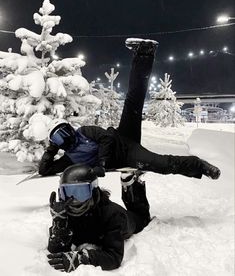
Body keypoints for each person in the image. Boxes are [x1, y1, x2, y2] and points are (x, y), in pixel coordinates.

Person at [39, 38, 220, 180]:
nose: (63, 140)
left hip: (123, 139)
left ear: (69, 129)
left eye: (62, 134)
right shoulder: (70, 158)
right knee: (162, 164)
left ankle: (144, 53)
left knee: (133, 99)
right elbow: (45, 170)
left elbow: (106, 138)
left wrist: (101, 163)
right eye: (58, 139)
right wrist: (51, 149)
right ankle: (198, 166)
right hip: (127, 155)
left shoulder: (84, 132)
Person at [47, 164, 151, 272]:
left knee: (141, 218)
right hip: (96, 231)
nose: (73, 200)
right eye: (67, 193)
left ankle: (130, 183)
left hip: (127, 220)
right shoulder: (66, 212)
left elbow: (114, 258)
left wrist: (83, 259)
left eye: (81, 192)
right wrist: (59, 225)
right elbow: (56, 252)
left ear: (93, 190)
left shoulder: (112, 215)